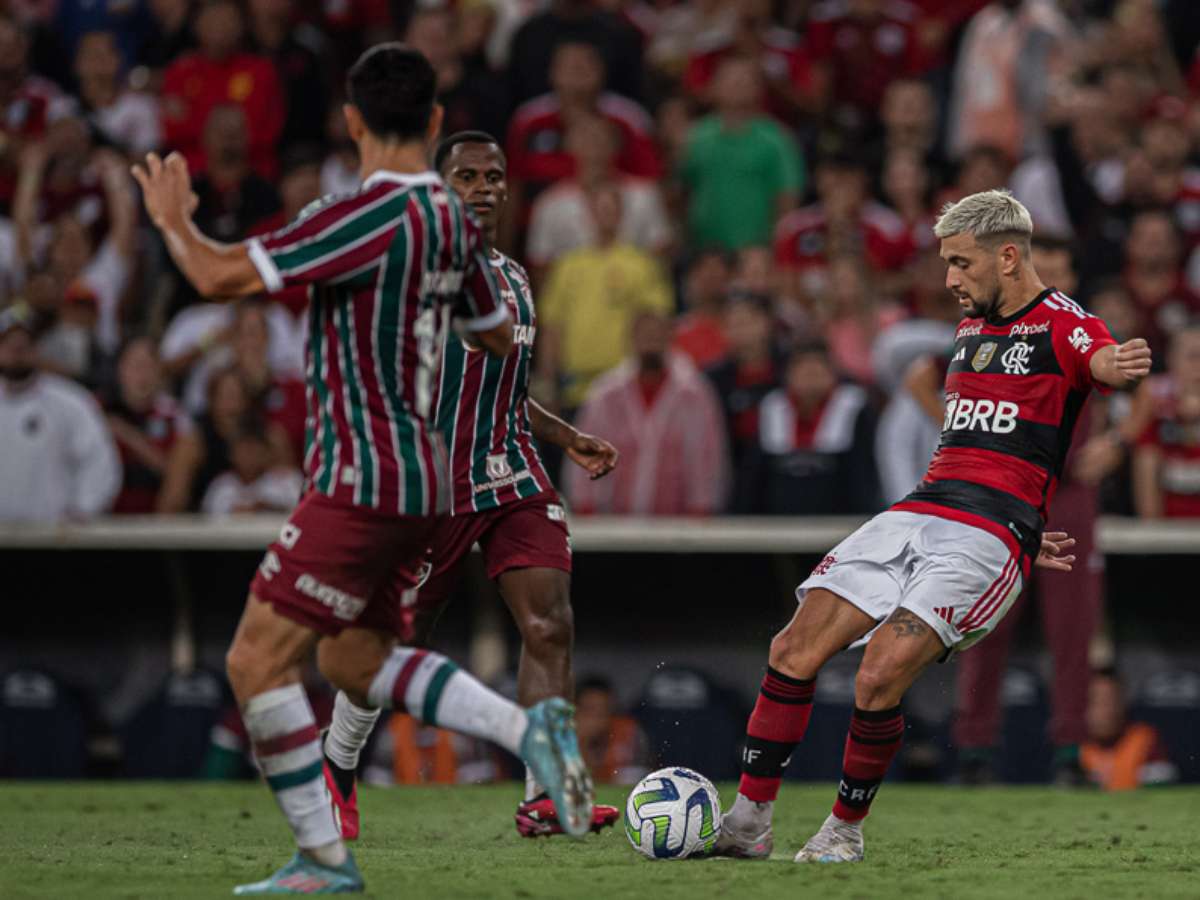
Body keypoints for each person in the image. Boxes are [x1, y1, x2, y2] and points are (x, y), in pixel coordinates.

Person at [131, 45, 593, 894]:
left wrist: (170, 216)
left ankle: (321, 857)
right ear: (433, 125)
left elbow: (213, 273)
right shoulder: (454, 229)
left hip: (359, 475)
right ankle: (523, 732)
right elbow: (495, 335)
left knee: (251, 662)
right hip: (426, 475)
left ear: (351, 123)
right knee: (357, 661)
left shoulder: (357, 216)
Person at [715, 190, 1150, 864]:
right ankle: (747, 823)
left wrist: (1112, 366)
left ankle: (843, 832)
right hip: (920, 509)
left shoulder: (1063, 321)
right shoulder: (973, 327)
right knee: (791, 650)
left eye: (959, 262)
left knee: (877, 676)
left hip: (986, 535)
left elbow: (1096, 355)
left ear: (1007, 257)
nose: (948, 279)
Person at [319, 130, 621, 841]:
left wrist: (566, 435)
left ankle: (547, 795)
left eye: (494, 176)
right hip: (432, 489)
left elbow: (507, 391)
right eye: (468, 176)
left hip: (512, 469)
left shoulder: (514, 278)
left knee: (549, 625)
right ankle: (337, 764)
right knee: (390, 651)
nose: (484, 187)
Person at [566, 310, 729, 515]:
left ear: (669, 337)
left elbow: (706, 460)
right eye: (644, 335)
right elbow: (586, 452)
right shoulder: (607, 395)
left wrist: (701, 511)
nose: (650, 341)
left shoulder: (694, 394)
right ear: (631, 339)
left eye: (656, 334)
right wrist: (585, 508)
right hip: (613, 527)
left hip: (679, 530)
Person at [537, 182, 674, 410]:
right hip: (575, 390)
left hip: (626, 390)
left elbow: (655, 324)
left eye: (611, 208)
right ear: (588, 213)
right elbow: (552, 329)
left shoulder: (642, 265)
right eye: (599, 208)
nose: (605, 214)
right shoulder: (567, 266)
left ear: (622, 213)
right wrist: (548, 386)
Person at [0, 305, 121, 522]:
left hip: (50, 539)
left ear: (36, 347)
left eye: (24, 344)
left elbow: (100, 461)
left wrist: (83, 508)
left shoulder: (71, 402)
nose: (16, 350)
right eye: (8, 343)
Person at [676, 54, 804, 251]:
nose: (737, 85)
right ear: (714, 87)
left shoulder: (776, 139)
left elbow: (788, 200)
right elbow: (680, 191)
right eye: (730, 79)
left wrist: (776, 249)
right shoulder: (695, 137)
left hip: (757, 254)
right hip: (704, 254)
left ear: (758, 89)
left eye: (744, 79)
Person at [104, 335, 193, 514]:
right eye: (135, 366)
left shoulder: (175, 416)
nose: (141, 375)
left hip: (154, 522)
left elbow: (177, 473)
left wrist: (130, 437)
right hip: (103, 518)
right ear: (121, 369)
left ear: (159, 372)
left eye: (148, 366)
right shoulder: (97, 410)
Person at [1133, 323, 1200, 517]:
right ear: (1172, 360)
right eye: (1192, 357)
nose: (1198, 366)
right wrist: (1154, 535)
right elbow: (1146, 468)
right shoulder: (1154, 407)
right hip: (1168, 530)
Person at [1080, 669, 1178, 790]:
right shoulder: (1077, 748)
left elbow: (1164, 779)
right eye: (1097, 702)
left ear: (1123, 703)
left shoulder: (1144, 739)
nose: (1106, 711)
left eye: (1111, 701)